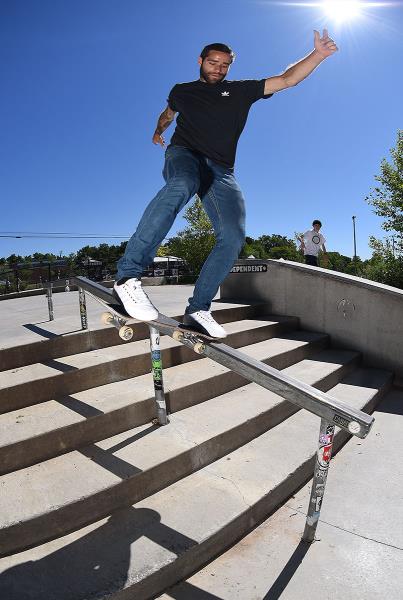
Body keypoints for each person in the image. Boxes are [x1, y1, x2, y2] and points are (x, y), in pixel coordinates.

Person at [114, 31, 338, 338]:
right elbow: (168, 115)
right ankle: (128, 276)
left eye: (224, 64)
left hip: (222, 170)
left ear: (230, 66)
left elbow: (287, 80)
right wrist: (157, 132)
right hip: (184, 154)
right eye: (213, 62)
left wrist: (319, 55)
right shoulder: (182, 90)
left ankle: (198, 309)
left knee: (233, 236)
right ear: (200, 61)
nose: (218, 68)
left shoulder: (241, 91)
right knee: (182, 184)